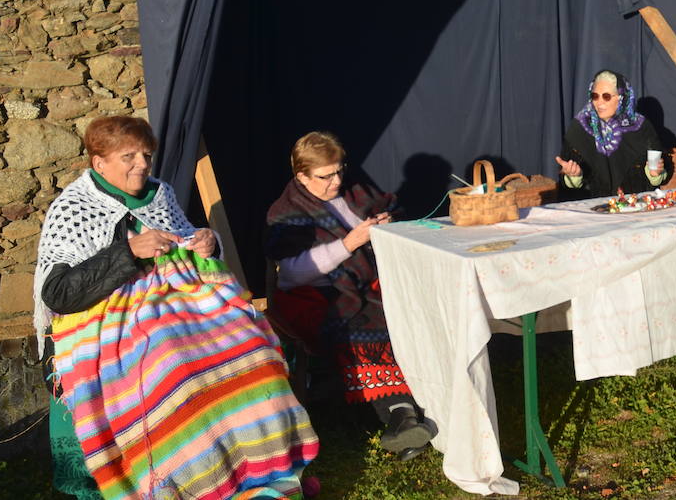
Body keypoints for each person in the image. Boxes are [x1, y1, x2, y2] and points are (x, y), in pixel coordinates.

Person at [34, 115, 318, 500]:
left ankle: (258, 468)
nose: (142, 165)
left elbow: (181, 236)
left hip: (182, 306)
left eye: (146, 156)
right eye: (128, 157)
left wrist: (207, 240)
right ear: (99, 162)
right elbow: (59, 292)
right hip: (113, 321)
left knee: (253, 349)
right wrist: (129, 252)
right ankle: (193, 481)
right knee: (172, 364)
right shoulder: (74, 208)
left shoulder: (160, 193)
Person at [265, 131, 435, 461]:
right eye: (325, 176)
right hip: (318, 294)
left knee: (413, 309)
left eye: (340, 169)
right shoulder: (286, 212)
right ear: (301, 176)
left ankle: (411, 418)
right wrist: (350, 243)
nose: (336, 180)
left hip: (368, 283)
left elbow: (390, 208)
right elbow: (293, 272)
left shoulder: (355, 191)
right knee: (359, 323)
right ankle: (402, 414)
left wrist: (388, 223)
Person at [555, 69, 670, 197]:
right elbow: (568, 183)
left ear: (621, 98)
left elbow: (659, 174)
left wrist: (654, 174)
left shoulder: (641, 127)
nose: (599, 102)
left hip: (635, 207)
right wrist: (574, 176)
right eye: (595, 96)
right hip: (592, 210)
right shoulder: (580, 128)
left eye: (606, 96)